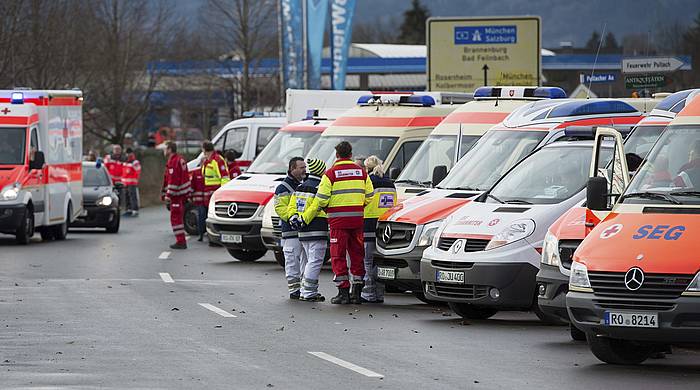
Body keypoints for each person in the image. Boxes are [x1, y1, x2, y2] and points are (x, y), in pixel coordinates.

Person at [301, 141, 374, 304]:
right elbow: (370, 195)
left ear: (337, 155)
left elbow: (321, 199)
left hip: (337, 222)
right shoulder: (362, 173)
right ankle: (356, 292)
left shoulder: (330, 174)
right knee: (357, 255)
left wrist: (329, 210)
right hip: (356, 221)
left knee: (338, 255)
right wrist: (357, 206)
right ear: (350, 154)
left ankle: (343, 293)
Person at [288, 159, 328, 302]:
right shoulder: (320, 187)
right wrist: (304, 219)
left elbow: (292, 206)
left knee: (307, 261)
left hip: (302, 231)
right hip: (316, 229)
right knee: (315, 261)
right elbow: (316, 206)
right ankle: (309, 293)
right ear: (321, 171)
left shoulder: (300, 187)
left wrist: (295, 218)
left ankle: (306, 290)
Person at [360, 156, 396, 303]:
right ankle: (379, 294)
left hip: (368, 225)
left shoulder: (368, 182)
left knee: (367, 262)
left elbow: (362, 202)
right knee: (380, 262)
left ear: (367, 168)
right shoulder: (390, 184)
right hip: (384, 229)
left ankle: (368, 293)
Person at [274, 157, 307, 299]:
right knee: (292, 260)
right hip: (291, 230)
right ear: (292, 169)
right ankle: (294, 290)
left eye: (305, 167)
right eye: (301, 168)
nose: (304, 170)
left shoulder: (304, 184)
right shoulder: (283, 188)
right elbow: (280, 207)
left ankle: (305, 289)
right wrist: (292, 218)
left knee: (306, 261)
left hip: (305, 230)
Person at [161, 142, 192, 249]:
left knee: (176, 219)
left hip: (176, 196)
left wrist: (168, 195)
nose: (164, 151)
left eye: (165, 148)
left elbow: (173, 181)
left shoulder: (173, 162)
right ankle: (180, 240)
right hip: (181, 195)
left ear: (170, 149)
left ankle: (181, 241)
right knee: (177, 218)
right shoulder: (179, 159)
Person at [201, 141, 230, 207]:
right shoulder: (207, 160)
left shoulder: (217, 160)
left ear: (205, 150)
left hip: (215, 191)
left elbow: (224, 177)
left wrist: (223, 191)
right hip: (208, 190)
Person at [191, 162, 207, 241]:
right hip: (200, 201)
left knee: (206, 218)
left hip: (207, 200)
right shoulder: (196, 173)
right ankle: (201, 235)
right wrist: (190, 196)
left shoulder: (209, 172)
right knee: (200, 218)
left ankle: (206, 235)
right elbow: (192, 186)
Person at [122, 150, 141, 217]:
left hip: (132, 182)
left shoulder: (135, 162)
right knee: (126, 196)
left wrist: (135, 178)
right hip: (125, 182)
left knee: (133, 196)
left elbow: (138, 171)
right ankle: (128, 210)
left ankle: (135, 210)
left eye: (129, 153)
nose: (128, 155)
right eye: (127, 153)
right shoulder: (125, 161)